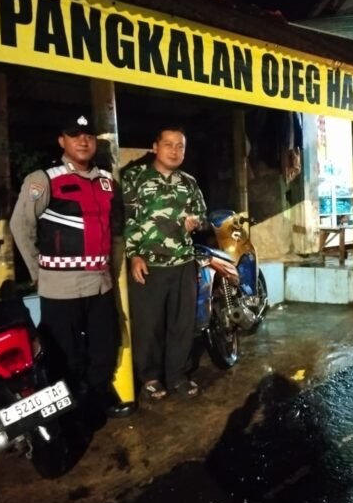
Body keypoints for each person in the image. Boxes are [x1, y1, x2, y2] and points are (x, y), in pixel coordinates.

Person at [10, 114, 124, 425]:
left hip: (100, 283)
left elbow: (116, 236)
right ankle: (71, 410)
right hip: (60, 287)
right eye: (75, 135)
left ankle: (98, 396)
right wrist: (39, 272)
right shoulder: (44, 179)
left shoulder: (106, 182)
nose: (83, 140)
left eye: (87, 135)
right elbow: (21, 227)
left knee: (105, 345)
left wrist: (111, 274)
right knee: (64, 352)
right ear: (63, 141)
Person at [121, 126, 207, 400]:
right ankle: (150, 377)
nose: (174, 150)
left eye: (180, 146)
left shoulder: (189, 182)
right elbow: (126, 219)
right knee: (149, 326)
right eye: (168, 144)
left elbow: (202, 217)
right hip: (149, 264)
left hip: (183, 263)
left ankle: (177, 376)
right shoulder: (135, 178)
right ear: (155, 147)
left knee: (182, 324)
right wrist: (133, 254)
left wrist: (197, 223)